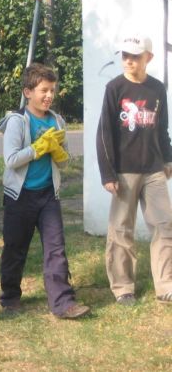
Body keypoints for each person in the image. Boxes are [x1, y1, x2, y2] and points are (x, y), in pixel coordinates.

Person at [0, 63, 90, 319]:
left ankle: (63, 303)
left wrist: (58, 153)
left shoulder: (57, 121)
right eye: (43, 90)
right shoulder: (18, 121)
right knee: (15, 247)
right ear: (28, 92)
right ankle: (10, 296)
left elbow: (63, 160)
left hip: (48, 195)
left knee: (56, 248)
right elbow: (11, 160)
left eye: (52, 90)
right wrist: (38, 148)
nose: (49, 95)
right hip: (20, 196)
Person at [96, 33, 172, 306]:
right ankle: (122, 287)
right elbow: (104, 133)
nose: (128, 61)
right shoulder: (114, 88)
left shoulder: (157, 88)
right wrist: (108, 173)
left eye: (135, 56)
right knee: (121, 229)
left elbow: (162, 128)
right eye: (125, 56)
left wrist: (168, 158)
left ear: (148, 58)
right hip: (124, 171)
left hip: (153, 170)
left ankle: (166, 286)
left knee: (165, 225)